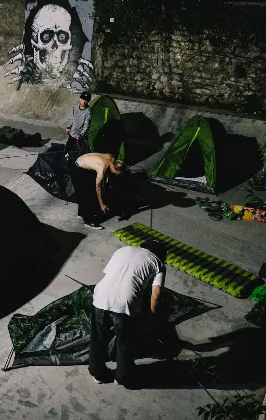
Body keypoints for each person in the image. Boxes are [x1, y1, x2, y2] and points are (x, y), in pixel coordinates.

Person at [89, 239, 168, 388]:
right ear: (161, 255)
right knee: (125, 343)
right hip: (126, 304)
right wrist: (151, 320)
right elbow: (156, 294)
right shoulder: (158, 263)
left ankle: (97, 373)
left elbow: (112, 274)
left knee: (97, 339)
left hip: (100, 296)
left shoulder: (123, 250)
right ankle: (122, 378)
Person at [73, 152, 123, 230]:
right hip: (78, 170)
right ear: (113, 167)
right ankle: (88, 222)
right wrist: (102, 205)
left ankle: (82, 213)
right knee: (88, 195)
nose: (116, 174)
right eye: (116, 173)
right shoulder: (101, 169)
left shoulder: (111, 157)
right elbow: (98, 189)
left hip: (82, 161)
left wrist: (107, 175)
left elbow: (106, 163)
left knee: (86, 192)